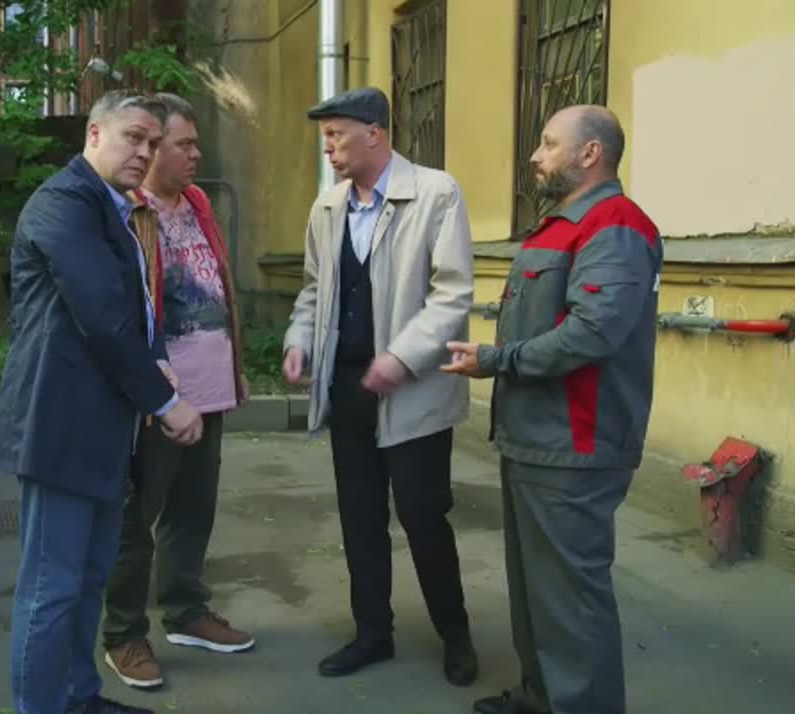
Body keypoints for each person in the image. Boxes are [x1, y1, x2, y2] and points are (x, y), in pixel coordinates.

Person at [443, 105, 661, 714]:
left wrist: (497, 360)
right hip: (537, 439)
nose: (535, 156)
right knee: (537, 589)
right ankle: (541, 697)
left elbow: (592, 333)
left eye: (547, 144)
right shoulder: (564, 224)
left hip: (575, 444)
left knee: (572, 597)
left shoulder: (616, 225)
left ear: (590, 153)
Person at [0, 90, 206, 714]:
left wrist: (156, 361)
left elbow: (132, 311)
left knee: (88, 578)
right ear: (93, 135)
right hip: (59, 426)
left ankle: (79, 696)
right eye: (132, 137)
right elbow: (102, 316)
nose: (144, 151)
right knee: (51, 587)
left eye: (152, 142)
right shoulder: (64, 203)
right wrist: (165, 401)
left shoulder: (111, 206)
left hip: (103, 427)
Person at [281, 86, 479, 685]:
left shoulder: (436, 193)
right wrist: (299, 338)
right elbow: (315, 288)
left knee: (423, 515)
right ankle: (372, 634)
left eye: (335, 135)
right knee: (359, 517)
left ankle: (456, 634)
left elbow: (453, 294)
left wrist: (401, 356)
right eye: (324, 137)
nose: (328, 148)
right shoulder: (327, 208)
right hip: (349, 387)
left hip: (414, 388)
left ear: (374, 133)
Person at [100, 92, 254, 691]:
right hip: (158, 399)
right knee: (136, 521)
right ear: (153, 147)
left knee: (193, 511)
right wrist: (144, 390)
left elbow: (221, 285)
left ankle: (186, 611)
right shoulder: (128, 212)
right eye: (184, 144)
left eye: (195, 143)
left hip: (210, 389)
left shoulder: (197, 202)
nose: (197, 154)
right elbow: (117, 311)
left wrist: (235, 367)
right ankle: (123, 633)